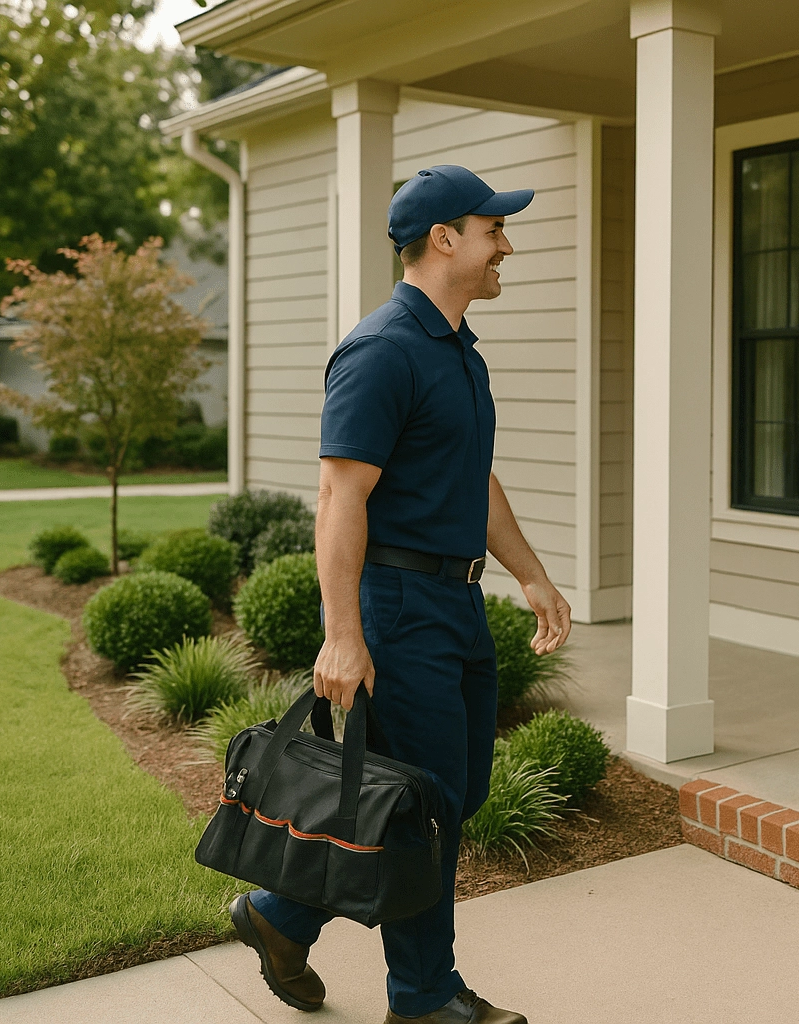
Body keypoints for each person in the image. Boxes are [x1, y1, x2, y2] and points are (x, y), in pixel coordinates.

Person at [228, 165, 572, 1024]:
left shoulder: (457, 349)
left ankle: (280, 915)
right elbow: (341, 494)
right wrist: (342, 633)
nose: (507, 244)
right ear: (445, 239)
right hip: (397, 605)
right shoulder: (382, 349)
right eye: (493, 228)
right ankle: (423, 996)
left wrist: (530, 572)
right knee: (425, 808)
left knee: (456, 795)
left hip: (454, 603)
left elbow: (474, 478)